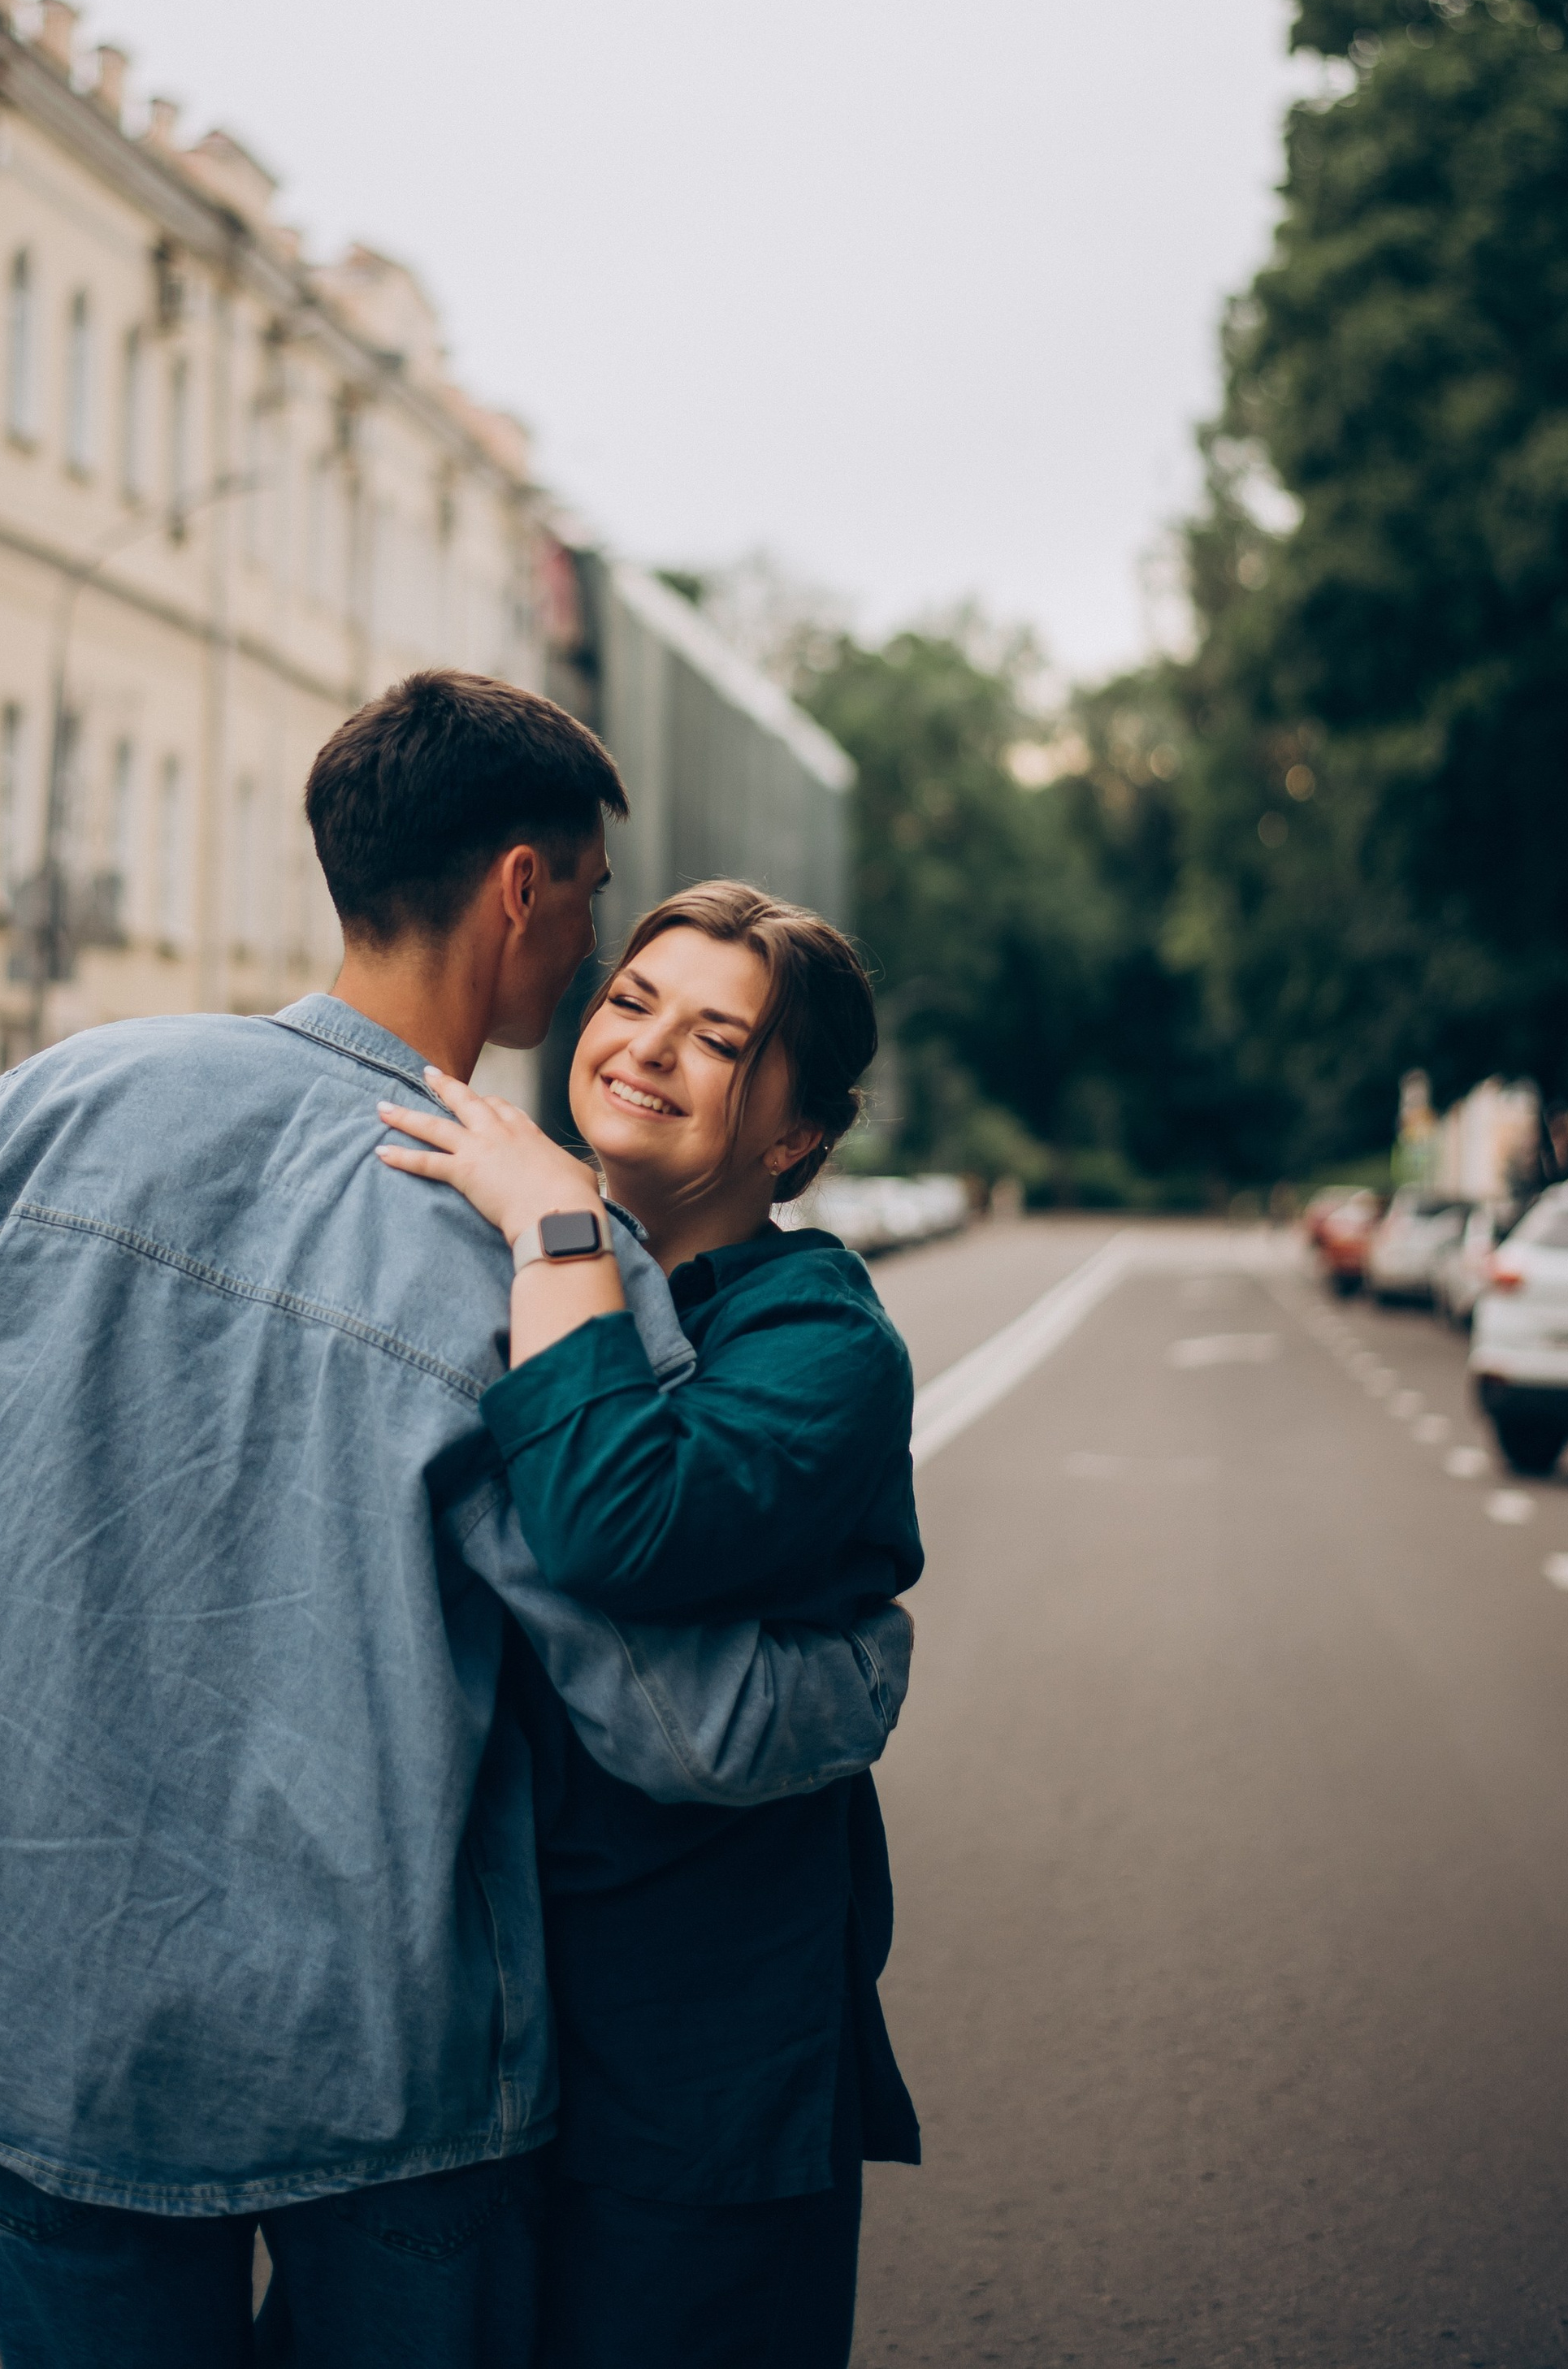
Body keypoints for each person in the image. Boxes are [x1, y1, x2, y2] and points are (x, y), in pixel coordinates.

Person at [0, 678, 912, 2369]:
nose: (592, 961)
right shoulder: (543, 1270)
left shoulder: (77, 1091)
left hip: (22, 2008)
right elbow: (677, 1721)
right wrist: (861, 1663)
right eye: (592, 905)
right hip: (371, 2060)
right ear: (521, 886)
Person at [376, 878, 923, 2369]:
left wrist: (559, 1228)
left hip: (700, 2052)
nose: (649, 1050)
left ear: (798, 1137)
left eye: (721, 1042)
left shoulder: (819, 1338)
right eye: (633, 1003)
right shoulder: (480, 1242)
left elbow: (623, 1522)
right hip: (469, 2013)